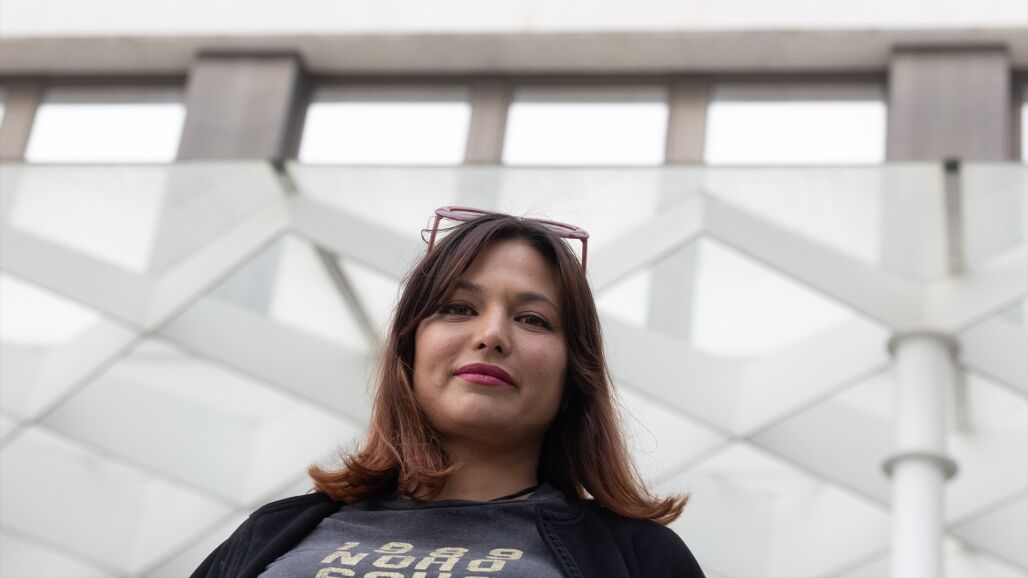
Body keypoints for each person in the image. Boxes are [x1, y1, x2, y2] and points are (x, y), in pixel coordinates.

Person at [190, 207, 706, 578]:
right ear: (409, 351)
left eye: (533, 319)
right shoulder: (272, 532)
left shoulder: (640, 557)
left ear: (574, 378)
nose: (492, 335)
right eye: (458, 309)